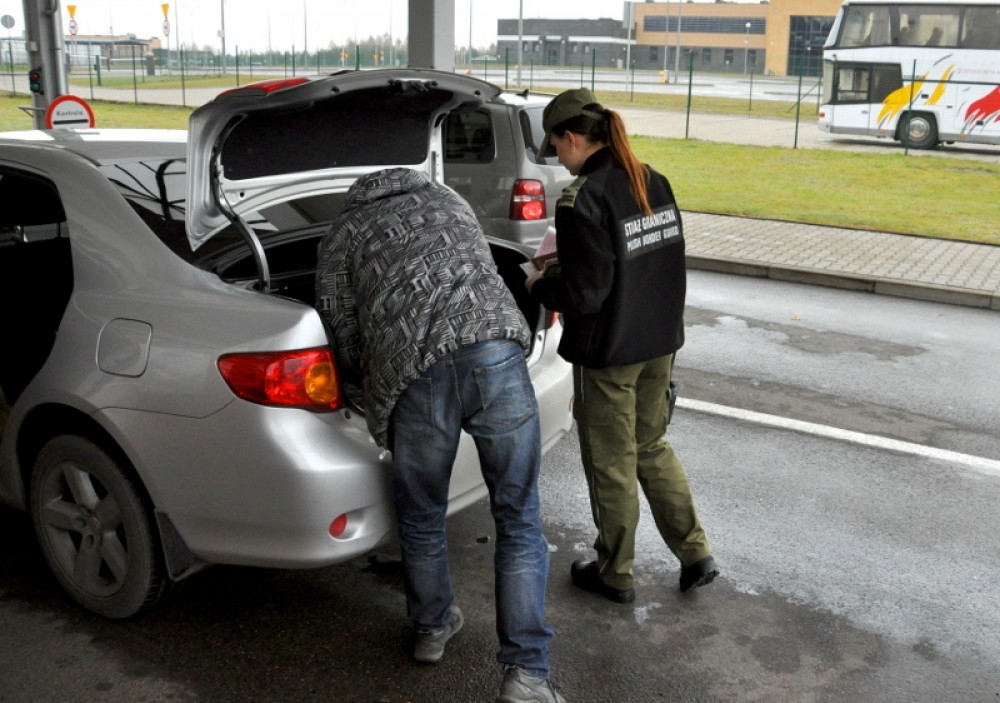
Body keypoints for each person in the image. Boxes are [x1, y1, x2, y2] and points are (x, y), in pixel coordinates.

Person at [316, 167, 565, 703]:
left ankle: (432, 626)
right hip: (494, 351)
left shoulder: (343, 232)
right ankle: (527, 674)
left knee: (422, 512)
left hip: (414, 374)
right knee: (518, 516)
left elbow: (340, 326)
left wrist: (368, 379)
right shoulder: (449, 202)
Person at [526, 88, 718, 604]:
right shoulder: (651, 178)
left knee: (611, 462)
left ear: (571, 138)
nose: (557, 158)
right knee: (651, 445)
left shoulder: (582, 197)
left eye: (556, 146)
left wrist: (540, 284)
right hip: (659, 342)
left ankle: (614, 573)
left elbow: (585, 294)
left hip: (609, 352)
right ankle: (695, 552)